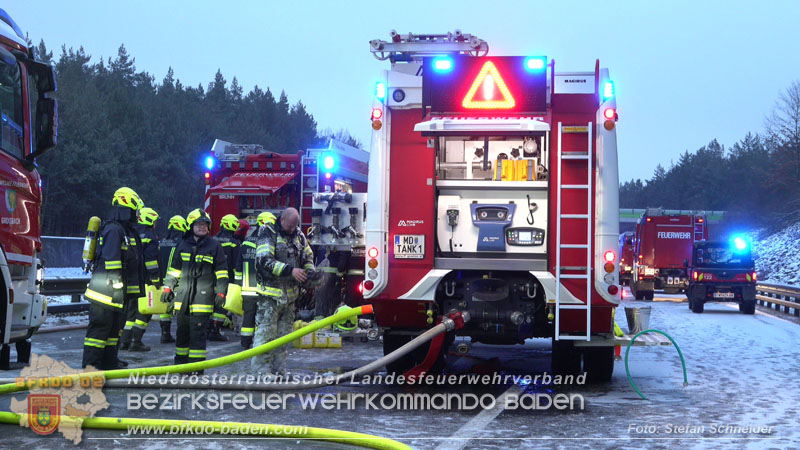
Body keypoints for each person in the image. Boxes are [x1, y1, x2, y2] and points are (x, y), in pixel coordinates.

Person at [82, 187, 144, 369]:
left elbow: (132, 264)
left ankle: (109, 361)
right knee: (99, 330)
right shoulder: (113, 231)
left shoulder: (126, 231)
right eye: (135, 211)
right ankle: (91, 366)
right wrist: (117, 289)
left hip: (116, 293)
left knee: (114, 330)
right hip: (105, 292)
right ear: (127, 208)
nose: (137, 215)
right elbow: (112, 263)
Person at [162, 209, 228, 369]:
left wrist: (221, 291)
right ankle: (180, 365)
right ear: (191, 225)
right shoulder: (183, 245)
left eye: (205, 224)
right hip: (183, 298)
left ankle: (196, 369)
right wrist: (168, 288)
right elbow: (173, 270)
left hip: (202, 299)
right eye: (199, 224)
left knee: (198, 335)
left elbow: (222, 272)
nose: (202, 227)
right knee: (182, 333)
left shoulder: (215, 246)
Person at [252, 207, 314, 376]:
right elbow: (264, 260)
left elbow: (308, 255)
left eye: (295, 226)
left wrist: (309, 271)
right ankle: (261, 372)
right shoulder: (267, 232)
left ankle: (279, 371)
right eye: (290, 226)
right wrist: (290, 270)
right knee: (266, 336)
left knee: (284, 337)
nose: (293, 230)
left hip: (290, 298)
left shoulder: (299, 235)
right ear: (282, 220)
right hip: (270, 297)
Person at [120, 207, 160, 352]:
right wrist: (155, 278)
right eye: (155, 221)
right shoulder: (151, 236)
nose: (156, 224)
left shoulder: (132, 233)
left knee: (130, 311)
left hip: (131, 278)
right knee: (145, 311)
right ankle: (136, 340)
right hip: (145, 279)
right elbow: (150, 260)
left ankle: (124, 341)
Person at [237, 211, 276, 349]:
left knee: (248, 316)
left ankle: (245, 342)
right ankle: (262, 343)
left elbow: (238, 268)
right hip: (264, 288)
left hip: (247, 289)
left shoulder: (246, 243)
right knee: (264, 317)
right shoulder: (269, 242)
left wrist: (238, 287)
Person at [208, 214, 241, 341]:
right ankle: (216, 330)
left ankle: (208, 329)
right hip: (226, 278)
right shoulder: (233, 243)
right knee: (220, 305)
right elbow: (236, 263)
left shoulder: (212, 239)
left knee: (210, 303)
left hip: (211, 277)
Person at [157, 215, 188, 343]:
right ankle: (183, 335)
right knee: (180, 308)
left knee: (165, 308)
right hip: (175, 280)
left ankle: (165, 333)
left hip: (161, 279)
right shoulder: (181, 243)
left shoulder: (163, 241)